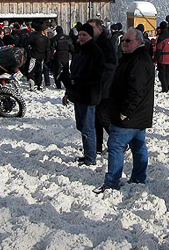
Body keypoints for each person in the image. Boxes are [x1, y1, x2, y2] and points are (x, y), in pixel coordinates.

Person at [94, 29, 155, 193]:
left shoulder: (139, 60)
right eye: (123, 40)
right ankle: (138, 177)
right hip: (138, 114)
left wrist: (126, 111)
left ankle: (112, 182)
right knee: (138, 146)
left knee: (115, 146)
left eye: (128, 41)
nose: (124, 44)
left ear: (139, 42)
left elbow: (136, 90)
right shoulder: (132, 58)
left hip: (130, 115)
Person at [61, 23, 104, 166]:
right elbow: (73, 72)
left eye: (84, 35)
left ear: (91, 36)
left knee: (87, 128)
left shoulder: (95, 52)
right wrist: (68, 91)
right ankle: (87, 153)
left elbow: (95, 76)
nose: (81, 37)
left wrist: (75, 82)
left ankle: (90, 158)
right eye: (80, 35)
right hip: (78, 94)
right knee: (81, 126)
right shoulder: (79, 51)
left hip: (88, 95)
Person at [88, 18, 117, 155]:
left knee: (103, 115)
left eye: (92, 28)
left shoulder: (104, 43)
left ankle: (119, 141)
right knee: (96, 118)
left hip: (105, 86)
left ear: (100, 29)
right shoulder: (94, 42)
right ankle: (97, 145)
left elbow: (111, 65)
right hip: (97, 85)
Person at [25, 23, 50, 90]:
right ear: (42, 31)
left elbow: (25, 43)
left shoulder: (34, 37)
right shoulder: (46, 39)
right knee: (40, 71)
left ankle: (32, 83)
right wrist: (47, 58)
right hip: (42, 57)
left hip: (34, 56)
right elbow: (48, 49)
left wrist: (29, 51)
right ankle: (39, 84)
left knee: (31, 70)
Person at [154, 21, 169, 93]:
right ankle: (167, 85)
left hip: (163, 58)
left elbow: (159, 49)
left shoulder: (161, 37)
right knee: (167, 72)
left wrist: (155, 59)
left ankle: (165, 88)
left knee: (162, 73)